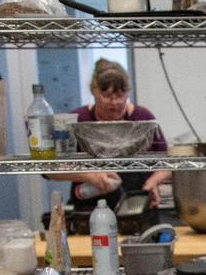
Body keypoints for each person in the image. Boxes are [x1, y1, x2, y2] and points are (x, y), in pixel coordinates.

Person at [56, 58, 171, 208]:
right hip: (89, 209)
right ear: (94, 91)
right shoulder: (78, 120)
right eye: (107, 95)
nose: (114, 102)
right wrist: (89, 176)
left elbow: (168, 163)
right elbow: (51, 170)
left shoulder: (143, 118)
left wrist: (153, 182)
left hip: (137, 206)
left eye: (120, 95)